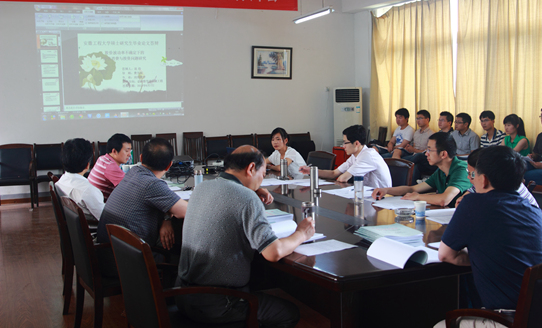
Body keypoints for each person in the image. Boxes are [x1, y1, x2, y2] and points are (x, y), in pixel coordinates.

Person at [176, 146, 315, 328]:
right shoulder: (246, 198)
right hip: (218, 303)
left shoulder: (202, 187)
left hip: (182, 295)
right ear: (251, 168)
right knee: (288, 313)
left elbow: (227, 197)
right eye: (262, 175)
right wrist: (301, 233)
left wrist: (252, 189)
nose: (261, 180)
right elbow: (273, 252)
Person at [434, 146, 542, 328]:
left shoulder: (473, 204)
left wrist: (484, 256)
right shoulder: (531, 208)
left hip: (508, 319)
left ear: (483, 179)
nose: (471, 179)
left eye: (473, 175)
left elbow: (445, 255)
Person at [96, 138, 188, 255]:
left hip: (108, 250)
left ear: (141, 158)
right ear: (169, 165)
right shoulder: (152, 184)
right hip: (130, 258)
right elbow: (187, 211)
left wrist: (166, 219)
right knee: (178, 236)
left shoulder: (133, 172)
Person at [372, 132, 471, 207]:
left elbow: (444, 200)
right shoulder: (441, 171)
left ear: (443, 154)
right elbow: (412, 189)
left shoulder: (461, 170)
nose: (426, 154)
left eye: (429, 150)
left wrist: (417, 196)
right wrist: (386, 190)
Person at [299, 125, 392, 188]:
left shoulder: (368, 155)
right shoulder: (355, 155)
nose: (343, 146)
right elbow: (334, 173)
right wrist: (311, 170)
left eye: (345, 143)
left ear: (356, 143)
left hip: (380, 200)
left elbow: (343, 178)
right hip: (367, 196)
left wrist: (340, 178)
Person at [455, 148, 538, 208]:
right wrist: (462, 199)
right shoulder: (497, 181)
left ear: (484, 177)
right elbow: (469, 195)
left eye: (472, 174)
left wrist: (466, 205)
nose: (469, 177)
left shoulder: (503, 193)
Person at [56, 138, 104, 223]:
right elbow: (106, 219)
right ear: (87, 165)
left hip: (75, 228)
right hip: (94, 229)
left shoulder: (60, 182)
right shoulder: (89, 191)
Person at [88, 133, 132, 199]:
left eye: (130, 151)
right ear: (114, 151)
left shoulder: (102, 158)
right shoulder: (111, 167)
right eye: (126, 151)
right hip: (103, 204)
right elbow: (130, 189)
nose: (129, 154)